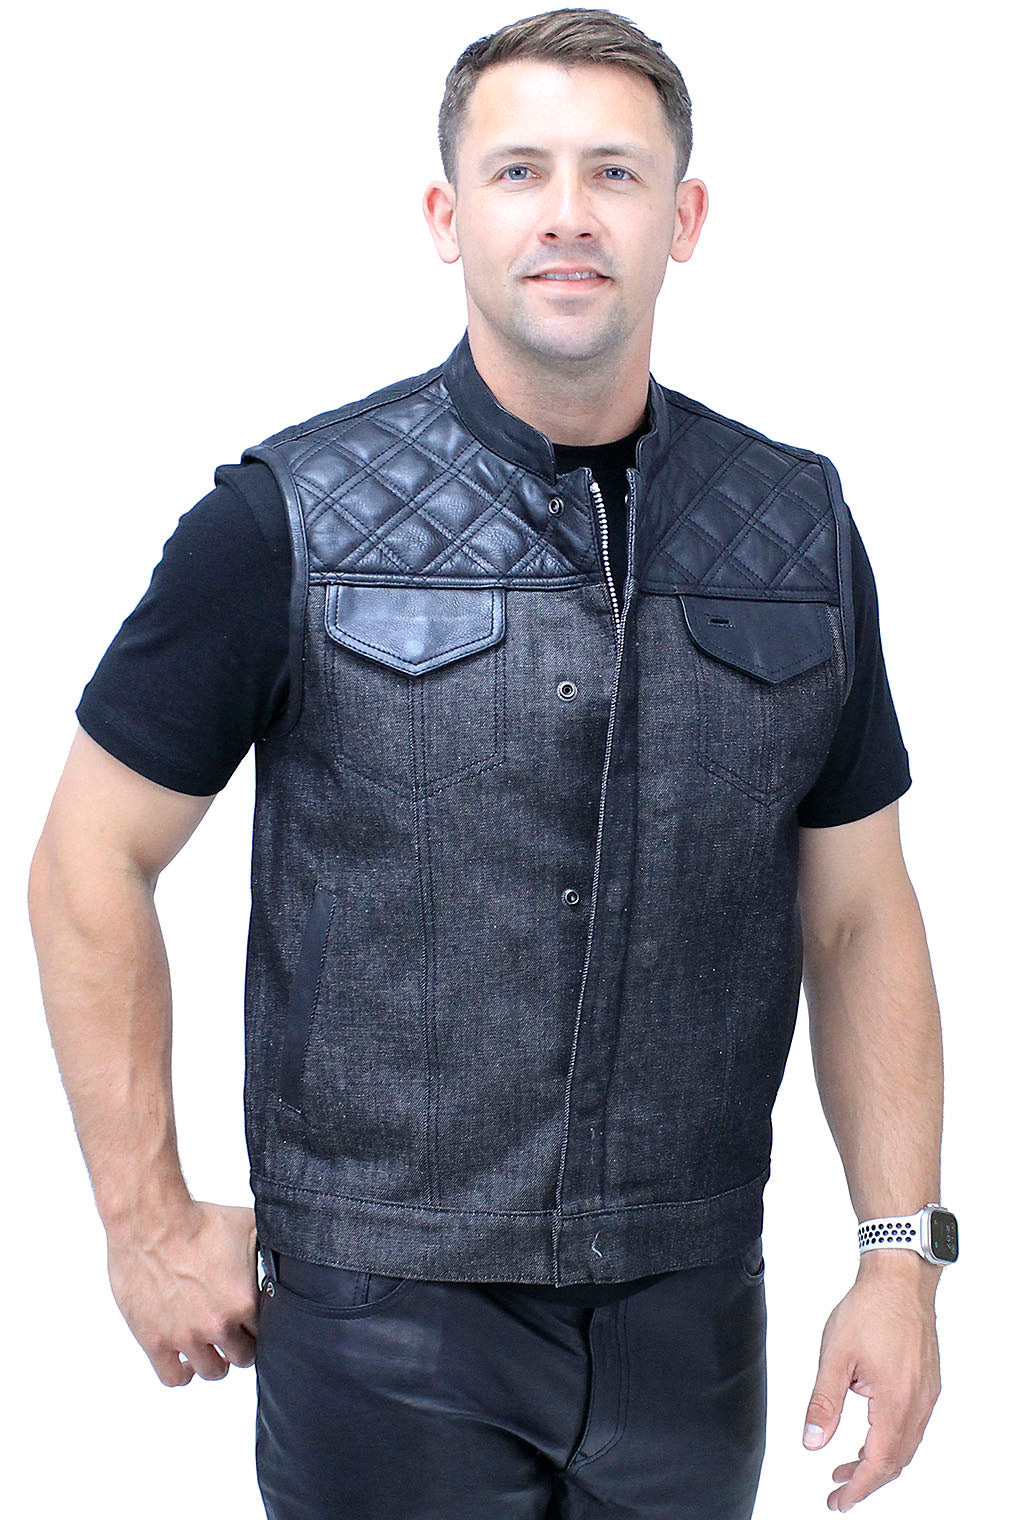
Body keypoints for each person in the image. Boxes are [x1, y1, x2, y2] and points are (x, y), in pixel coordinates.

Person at [27, 8, 957, 1518]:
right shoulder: (287, 521)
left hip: (693, 1318)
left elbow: (860, 913)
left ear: (684, 220)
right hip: (382, 1323)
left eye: (615, 173)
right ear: (446, 216)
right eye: (520, 171)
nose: (568, 214)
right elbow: (89, 856)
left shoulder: (796, 528)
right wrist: (143, 1221)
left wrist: (898, 1258)